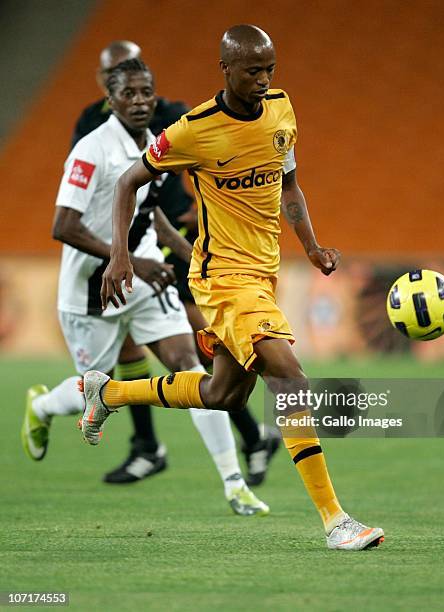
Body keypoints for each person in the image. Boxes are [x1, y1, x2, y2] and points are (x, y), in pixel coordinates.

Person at [82, 25, 384, 550]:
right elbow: (130, 180)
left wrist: (311, 247)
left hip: (263, 276)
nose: (264, 80)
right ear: (225, 69)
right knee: (290, 378)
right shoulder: (193, 129)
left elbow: (289, 182)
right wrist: (119, 254)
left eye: (270, 69)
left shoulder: (282, 109)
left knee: (224, 394)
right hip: (222, 279)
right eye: (252, 71)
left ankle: (108, 392)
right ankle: (335, 520)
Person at [21, 58, 269, 516]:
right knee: (92, 386)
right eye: (129, 94)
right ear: (110, 100)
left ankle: (235, 485)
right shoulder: (90, 151)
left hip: (144, 276)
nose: (140, 101)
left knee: (190, 368)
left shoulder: (155, 144)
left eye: (146, 92)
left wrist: (188, 252)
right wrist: (128, 258)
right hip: (91, 289)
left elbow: (149, 206)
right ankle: (42, 407)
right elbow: (63, 226)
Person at [73, 40, 279, 485]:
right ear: (104, 85)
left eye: (140, 86)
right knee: (155, 346)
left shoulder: (176, 115)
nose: (136, 97)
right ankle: (154, 445)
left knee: (194, 337)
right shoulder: (92, 127)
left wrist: (194, 213)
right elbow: (100, 188)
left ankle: (238, 438)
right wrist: (121, 249)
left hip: (174, 237)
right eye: (117, 81)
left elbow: (203, 164)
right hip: (133, 239)